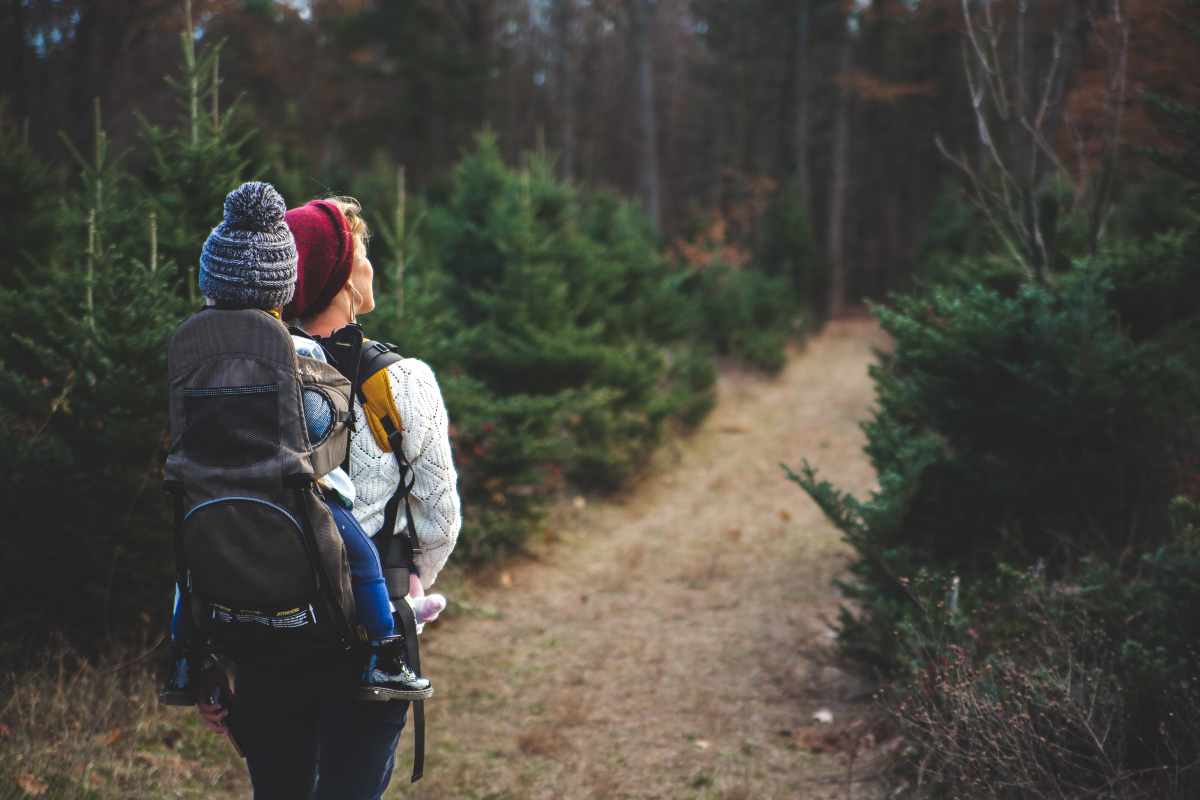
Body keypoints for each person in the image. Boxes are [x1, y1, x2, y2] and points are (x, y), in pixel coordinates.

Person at [195, 185, 462, 799]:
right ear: (343, 277)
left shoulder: (242, 377)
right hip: (363, 644)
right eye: (362, 253)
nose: (371, 265)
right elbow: (439, 518)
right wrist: (409, 588)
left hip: (262, 632)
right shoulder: (401, 381)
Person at [160, 182, 435, 708]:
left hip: (206, 485)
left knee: (190, 566)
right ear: (281, 288)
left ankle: (182, 658)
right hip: (289, 484)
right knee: (359, 554)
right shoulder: (297, 348)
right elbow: (318, 418)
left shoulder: (193, 346)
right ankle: (385, 652)